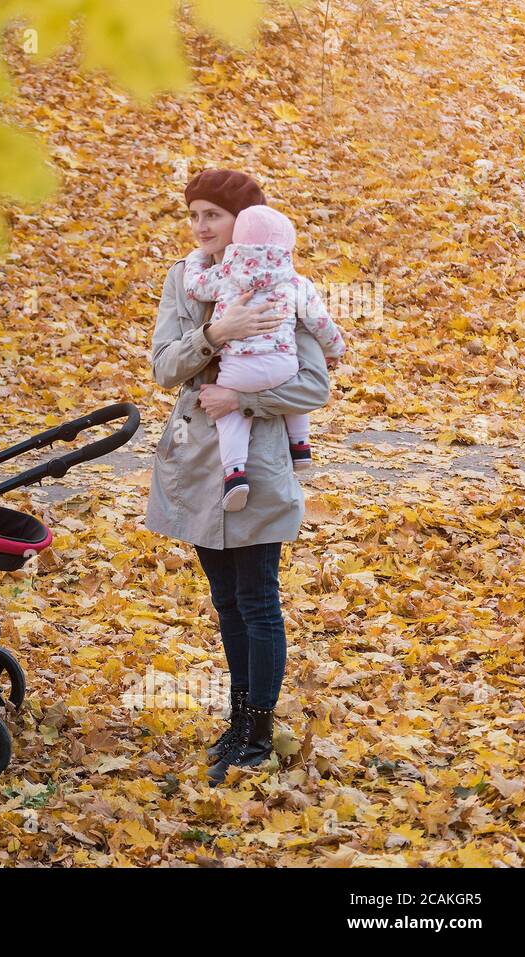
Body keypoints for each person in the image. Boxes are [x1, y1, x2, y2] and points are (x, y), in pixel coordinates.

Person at [144, 169, 332, 784]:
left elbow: (312, 382)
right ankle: (236, 720)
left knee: (257, 599)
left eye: (213, 216)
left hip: (257, 464)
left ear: (242, 221)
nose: (201, 227)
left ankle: (256, 728)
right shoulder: (185, 279)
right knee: (225, 602)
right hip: (197, 464)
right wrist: (213, 335)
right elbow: (164, 368)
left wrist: (242, 400)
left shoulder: (280, 278)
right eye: (194, 215)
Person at [182, 204, 346, 510]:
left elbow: (194, 287)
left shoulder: (227, 273)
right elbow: (320, 322)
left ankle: (234, 474)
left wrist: (196, 259)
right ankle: (300, 445)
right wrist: (334, 350)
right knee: (293, 390)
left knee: (229, 416)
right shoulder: (295, 281)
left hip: (239, 370)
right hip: (282, 364)